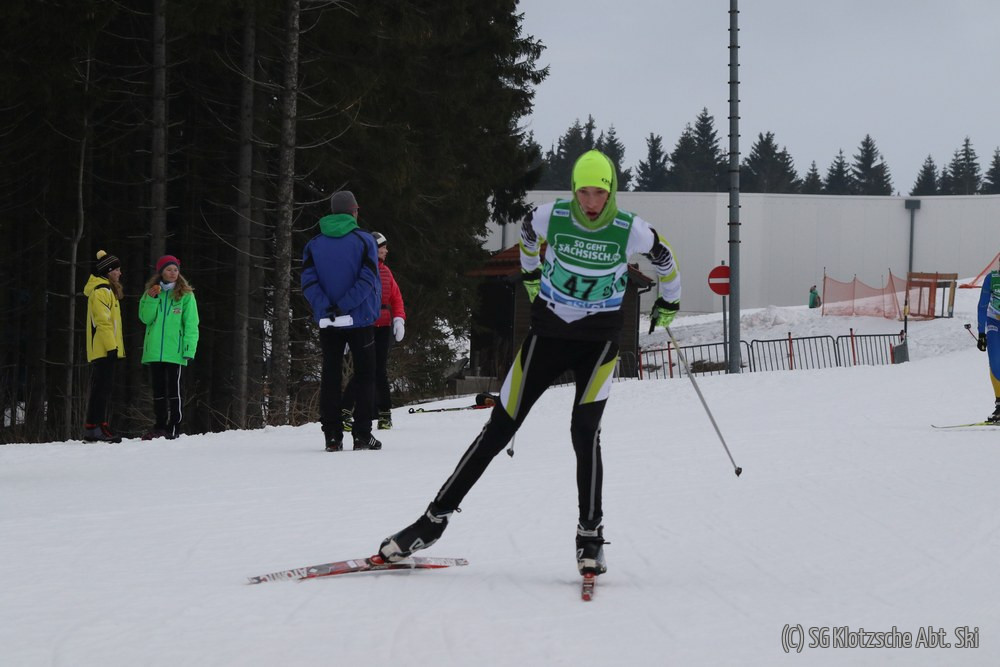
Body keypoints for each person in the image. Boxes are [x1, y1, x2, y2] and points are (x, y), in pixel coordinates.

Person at [376, 149, 681, 577]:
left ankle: (590, 535)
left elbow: (666, 259)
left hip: (598, 342)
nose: (591, 202)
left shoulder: (631, 229)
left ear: (611, 191)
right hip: (548, 335)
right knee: (498, 428)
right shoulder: (550, 216)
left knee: (584, 433)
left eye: (599, 193)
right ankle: (433, 520)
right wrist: (532, 274)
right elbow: (526, 234)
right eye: (583, 192)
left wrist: (670, 301)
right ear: (573, 190)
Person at [302, 190, 383, 452]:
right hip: (360, 319)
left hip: (329, 322)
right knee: (366, 375)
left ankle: (332, 436)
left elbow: (308, 281)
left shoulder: (314, 244)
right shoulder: (364, 240)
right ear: (353, 211)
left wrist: (326, 307)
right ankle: (362, 434)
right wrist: (345, 305)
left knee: (331, 375)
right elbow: (368, 278)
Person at [342, 231, 406, 431]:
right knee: (364, 369)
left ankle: (385, 414)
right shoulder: (359, 270)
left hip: (384, 327)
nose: (386, 251)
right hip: (364, 325)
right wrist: (346, 328)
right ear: (373, 249)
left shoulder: (386, 272)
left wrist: (399, 319)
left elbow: (396, 298)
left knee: (379, 370)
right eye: (383, 247)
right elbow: (351, 299)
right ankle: (345, 411)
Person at [138, 255, 200, 440]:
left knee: (174, 391)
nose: (173, 273)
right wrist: (151, 299)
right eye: (169, 269)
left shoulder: (186, 295)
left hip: (175, 351)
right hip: (154, 351)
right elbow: (145, 318)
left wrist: (189, 349)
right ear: (161, 272)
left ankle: (174, 427)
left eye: (175, 270)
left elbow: (191, 324)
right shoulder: (150, 293)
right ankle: (159, 426)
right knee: (158, 391)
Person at [83, 250, 125, 442]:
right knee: (101, 389)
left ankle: (96, 426)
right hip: (104, 349)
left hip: (104, 348)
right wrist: (111, 347)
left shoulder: (107, 290)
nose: (119, 273)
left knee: (102, 388)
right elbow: (103, 322)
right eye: (116, 270)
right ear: (108, 271)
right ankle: (96, 427)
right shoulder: (102, 291)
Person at [976, 268, 1000, 422]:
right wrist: (981, 333)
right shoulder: (992, 278)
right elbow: (982, 306)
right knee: (996, 362)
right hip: (994, 322)